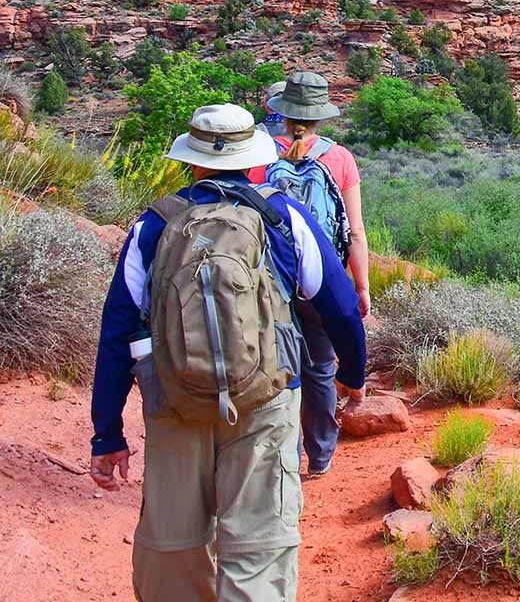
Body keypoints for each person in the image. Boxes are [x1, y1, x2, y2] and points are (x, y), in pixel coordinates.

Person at [89, 102, 366, 602]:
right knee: (259, 550)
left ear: (191, 160)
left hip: (174, 403)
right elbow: (340, 306)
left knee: (175, 551)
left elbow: (116, 334)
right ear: (251, 157)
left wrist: (107, 434)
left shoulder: (153, 227)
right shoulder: (282, 216)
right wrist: (354, 373)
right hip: (266, 399)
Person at [253, 71, 369, 477]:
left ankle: (281, 455)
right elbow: (354, 231)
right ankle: (319, 456)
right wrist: (361, 285)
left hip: (272, 279)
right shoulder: (340, 159)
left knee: (273, 363)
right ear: (321, 115)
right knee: (320, 365)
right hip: (323, 280)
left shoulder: (258, 156)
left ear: (281, 112)